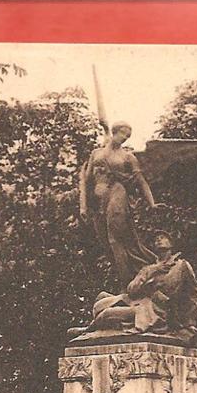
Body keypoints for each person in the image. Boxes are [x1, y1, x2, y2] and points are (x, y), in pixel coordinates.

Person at [79, 121, 164, 285]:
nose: (125, 138)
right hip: (98, 201)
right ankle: (128, 279)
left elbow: (141, 181)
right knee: (106, 244)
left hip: (117, 193)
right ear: (114, 131)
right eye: (123, 133)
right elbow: (87, 180)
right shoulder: (96, 153)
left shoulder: (127, 157)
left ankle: (126, 285)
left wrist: (152, 203)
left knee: (114, 240)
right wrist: (83, 206)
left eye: (128, 136)